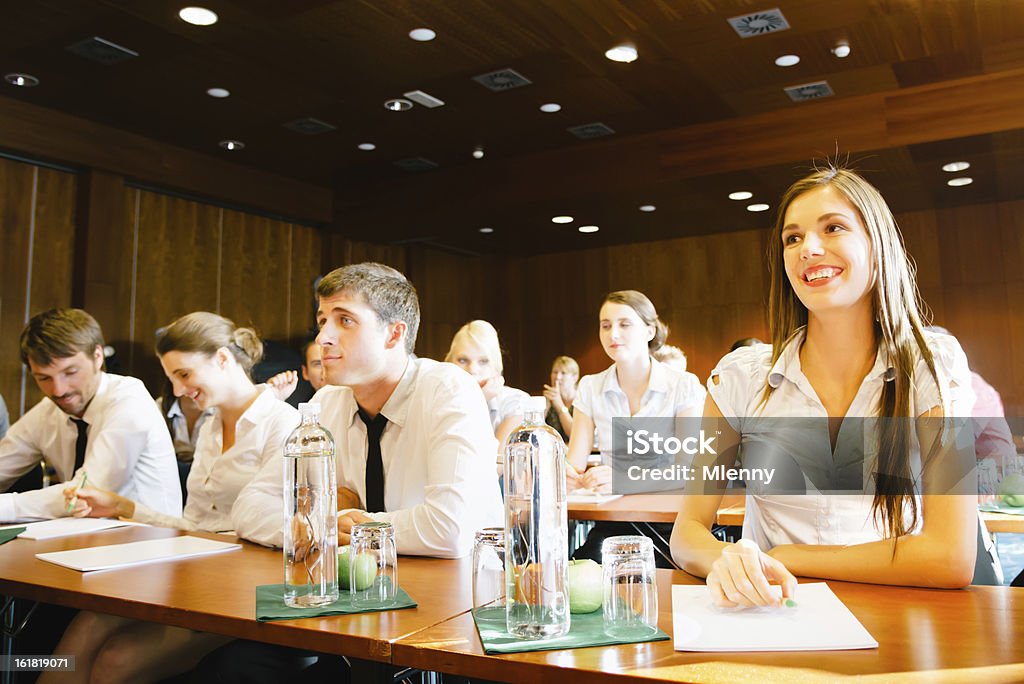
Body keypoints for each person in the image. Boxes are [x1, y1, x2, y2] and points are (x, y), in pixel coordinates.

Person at [671, 165, 978, 607]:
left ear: (877, 246)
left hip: (899, 615)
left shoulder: (932, 365)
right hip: (772, 610)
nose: (808, 249)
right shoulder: (739, 377)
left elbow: (950, 557)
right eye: (792, 238)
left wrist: (793, 557)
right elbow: (688, 533)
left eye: (833, 228)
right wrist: (727, 558)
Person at [45, 312, 300, 684]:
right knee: (84, 628)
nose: (178, 391)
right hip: (193, 576)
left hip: (244, 589)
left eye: (184, 375)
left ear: (223, 359)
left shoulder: (284, 424)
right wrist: (124, 507)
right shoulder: (212, 427)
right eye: (172, 379)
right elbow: (196, 527)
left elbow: (276, 532)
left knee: (115, 662)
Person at [233, 263, 503, 556]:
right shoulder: (327, 402)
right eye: (322, 321)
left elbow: (450, 528)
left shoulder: (449, 389)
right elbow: (249, 505)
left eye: (345, 320)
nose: (323, 337)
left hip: (462, 592)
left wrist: (344, 525)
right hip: (361, 589)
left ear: (394, 335)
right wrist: (322, 523)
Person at [566, 290, 706, 566]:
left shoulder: (683, 385)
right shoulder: (590, 386)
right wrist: (569, 476)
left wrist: (620, 479)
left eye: (624, 324)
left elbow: (687, 470)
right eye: (605, 325)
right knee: (583, 571)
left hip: (673, 523)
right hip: (613, 522)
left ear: (649, 331)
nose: (612, 334)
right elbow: (575, 463)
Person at [0, 308, 180, 522]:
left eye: (70, 373)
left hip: (152, 540)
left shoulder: (130, 401)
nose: (58, 390)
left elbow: (85, 492)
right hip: (81, 539)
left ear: (97, 356)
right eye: (44, 378)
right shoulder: (47, 411)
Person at [445, 320, 527, 451]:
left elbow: (494, 467)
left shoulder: (516, 402)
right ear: (449, 363)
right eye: (462, 360)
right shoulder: (438, 401)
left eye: (483, 361)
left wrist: (477, 402)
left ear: (496, 367)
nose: (472, 369)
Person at [543, 355, 578, 443]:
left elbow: (575, 435)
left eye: (563, 373)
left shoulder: (582, 400)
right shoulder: (548, 399)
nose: (557, 377)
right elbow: (534, 432)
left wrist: (560, 406)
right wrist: (545, 407)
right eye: (555, 372)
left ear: (575, 377)